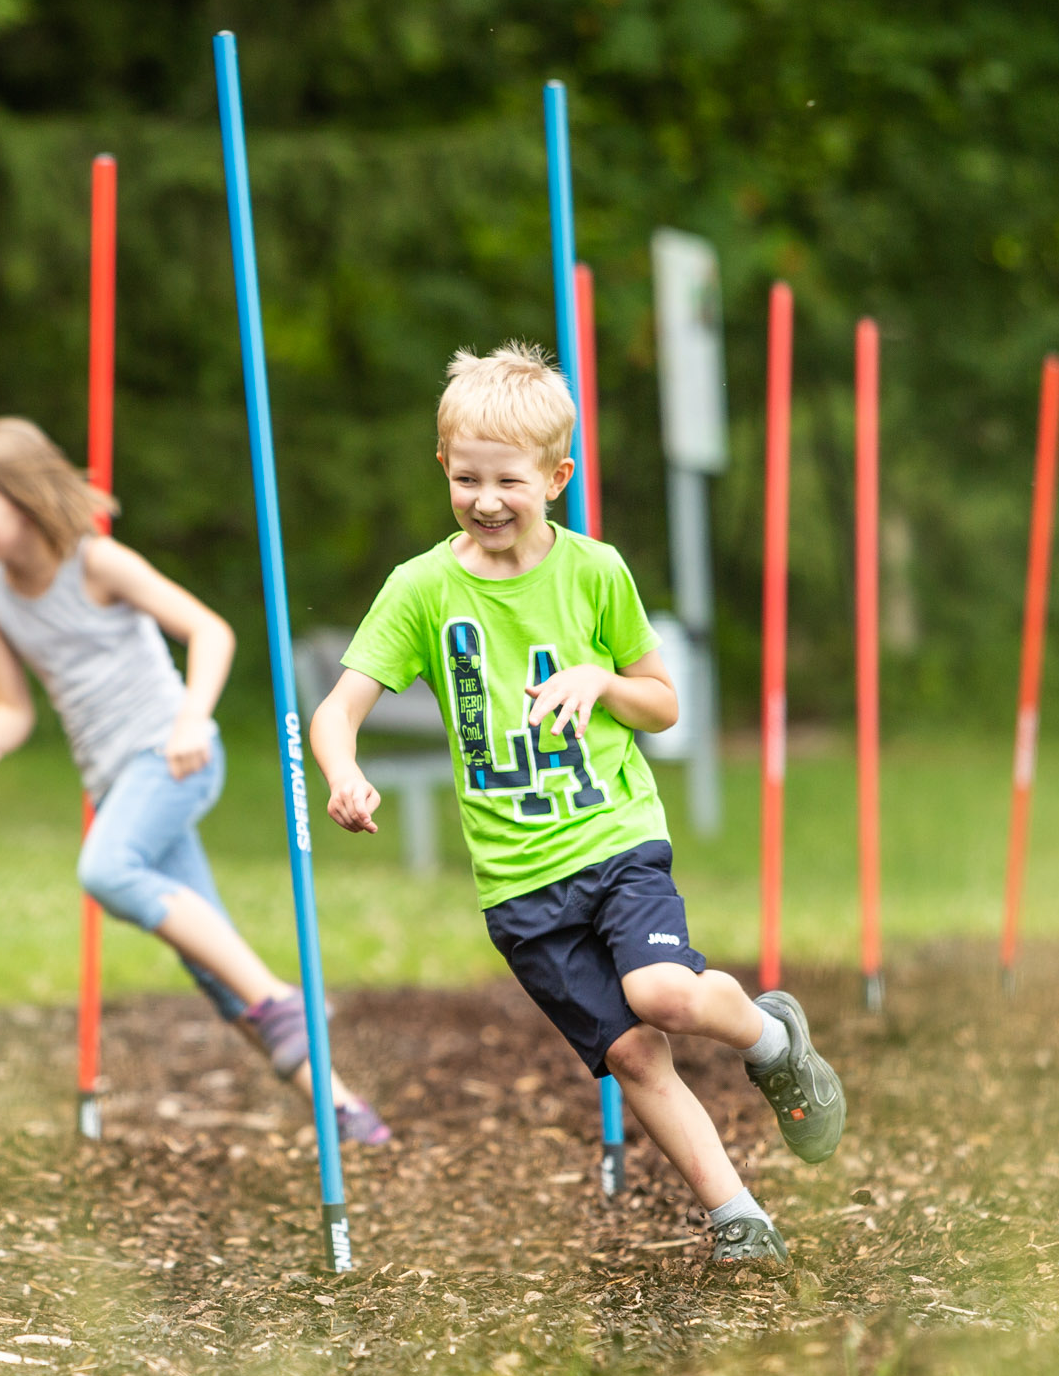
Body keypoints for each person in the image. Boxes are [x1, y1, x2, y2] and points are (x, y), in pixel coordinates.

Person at [309, 344, 844, 1266]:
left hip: (615, 836)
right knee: (635, 1054)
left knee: (663, 992)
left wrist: (600, 680)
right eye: (466, 477)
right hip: (519, 886)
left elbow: (665, 702)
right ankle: (738, 1215)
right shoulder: (423, 588)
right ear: (444, 467)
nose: (485, 499)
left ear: (556, 476)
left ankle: (771, 1037)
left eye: (507, 480)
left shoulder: (595, 572)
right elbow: (336, 710)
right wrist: (343, 770)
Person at [0, 416, 390, 1144]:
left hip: (175, 756)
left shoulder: (98, 562)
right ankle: (347, 1113)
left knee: (108, 868)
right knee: (219, 978)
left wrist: (190, 717)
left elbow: (211, 630)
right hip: (116, 781)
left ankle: (279, 996)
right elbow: (14, 703)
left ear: (23, 499)